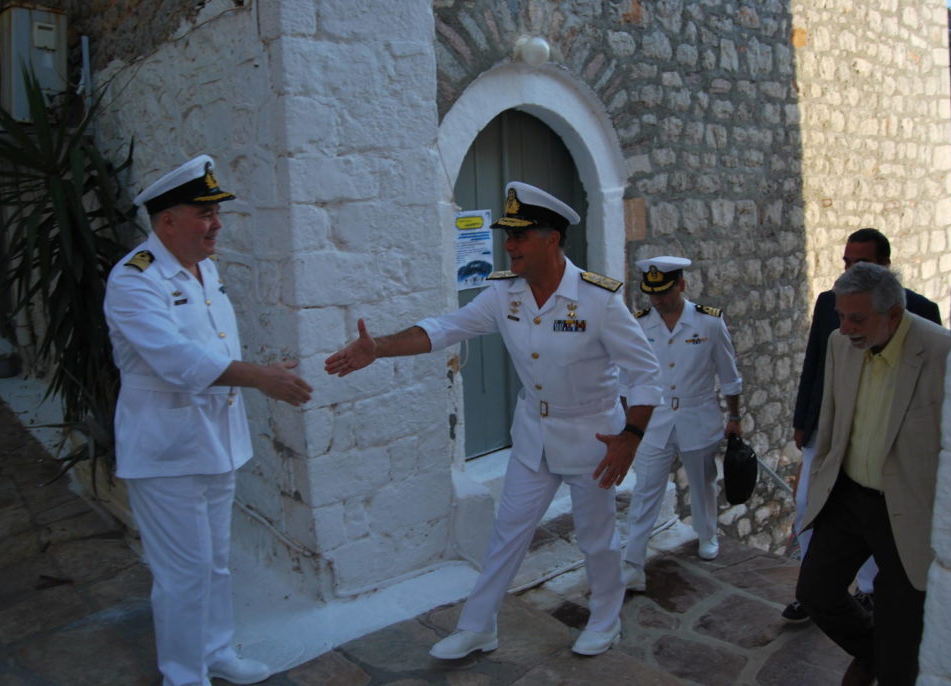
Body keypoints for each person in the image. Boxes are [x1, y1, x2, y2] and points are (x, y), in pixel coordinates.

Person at [324, 182, 662, 658]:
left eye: (520, 236)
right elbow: (446, 328)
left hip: (594, 437)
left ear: (551, 238)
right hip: (534, 435)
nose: (509, 245)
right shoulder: (505, 293)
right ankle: (478, 626)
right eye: (508, 235)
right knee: (508, 532)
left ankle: (606, 621)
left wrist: (630, 436)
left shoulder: (598, 299)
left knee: (596, 537)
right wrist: (378, 347)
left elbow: (645, 373)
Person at [104, 155, 313, 686]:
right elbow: (177, 361)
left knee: (215, 561)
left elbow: (213, 346)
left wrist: (261, 374)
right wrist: (260, 377)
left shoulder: (205, 269)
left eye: (217, 213)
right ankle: (183, 675)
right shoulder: (134, 280)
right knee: (182, 574)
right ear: (168, 220)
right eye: (205, 214)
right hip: (166, 452)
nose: (217, 223)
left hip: (216, 441)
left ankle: (216, 652)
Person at [795, 263, 950, 685]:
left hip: (907, 508)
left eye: (857, 319)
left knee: (902, 622)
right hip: (848, 497)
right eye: (841, 316)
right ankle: (871, 653)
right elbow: (831, 419)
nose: (846, 328)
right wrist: (817, 474)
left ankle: (888, 663)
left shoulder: (942, 352)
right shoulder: (839, 343)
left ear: (893, 314)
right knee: (815, 593)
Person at [621, 256, 743, 591]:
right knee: (646, 490)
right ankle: (633, 561)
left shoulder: (709, 323)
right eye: (652, 293)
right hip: (654, 420)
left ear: (681, 285)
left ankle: (707, 534)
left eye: (664, 292)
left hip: (698, 416)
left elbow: (729, 376)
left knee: (703, 483)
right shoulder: (639, 324)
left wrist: (734, 417)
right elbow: (627, 379)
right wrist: (629, 425)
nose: (657, 300)